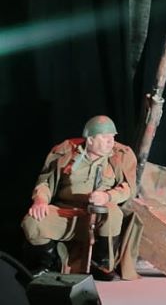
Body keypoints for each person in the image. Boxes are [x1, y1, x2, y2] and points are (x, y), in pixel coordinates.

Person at [22, 115, 137, 280]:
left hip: (100, 215)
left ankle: (102, 264)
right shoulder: (65, 153)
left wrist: (107, 196)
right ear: (90, 140)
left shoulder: (119, 156)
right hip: (66, 213)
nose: (110, 142)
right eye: (105, 137)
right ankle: (48, 264)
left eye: (112, 137)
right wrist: (40, 200)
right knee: (33, 221)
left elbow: (127, 188)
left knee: (113, 213)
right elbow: (46, 183)